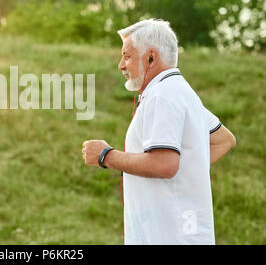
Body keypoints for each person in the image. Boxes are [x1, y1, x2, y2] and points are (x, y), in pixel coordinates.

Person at [81, 19, 236, 245]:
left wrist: (105, 155)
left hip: (167, 236)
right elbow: (223, 140)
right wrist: (185, 174)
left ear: (151, 57)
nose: (120, 66)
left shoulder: (163, 95)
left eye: (127, 56)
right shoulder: (180, 91)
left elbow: (164, 164)